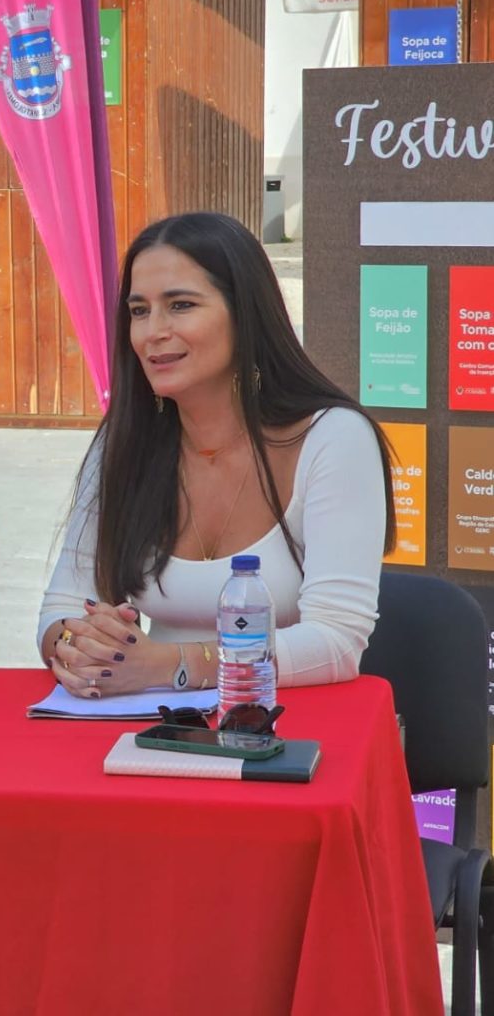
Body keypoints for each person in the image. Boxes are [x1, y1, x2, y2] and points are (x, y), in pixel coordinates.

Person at [38, 212, 395, 698]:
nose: (153, 331)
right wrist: (79, 645)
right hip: (145, 722)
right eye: (139, 311)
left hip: (288, 720)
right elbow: (62, 606)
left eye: (180, 305)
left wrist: (170, 665)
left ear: (245, 314)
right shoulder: (123, 440)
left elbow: (337, 641)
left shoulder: (333, 437)